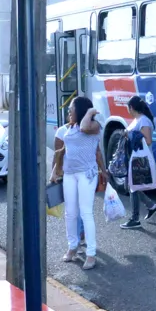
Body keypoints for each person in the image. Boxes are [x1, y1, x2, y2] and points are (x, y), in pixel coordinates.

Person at [59, 96, 106, 270]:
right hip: (70, 174)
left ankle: (91, 253)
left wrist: (91, 112)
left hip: (86, 173)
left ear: (81, 111)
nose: (69, 112)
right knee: (70, 213)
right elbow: (64, 149)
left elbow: (86, 129)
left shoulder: (94, 126)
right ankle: (72, 246)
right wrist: (57, 170)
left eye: (71, 109)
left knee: (86, 212)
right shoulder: (71, 127)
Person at [121, 95, 156, 230]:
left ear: (131, 108)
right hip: (133, 156)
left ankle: (135, 218)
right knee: (131, 186)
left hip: (140, 158)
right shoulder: (137, 119)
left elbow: (148, 140)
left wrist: (130, 135)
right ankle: (151, 206)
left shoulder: (143, 120)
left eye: (128, 108)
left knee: (133, 187)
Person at [52, 112, 86, 251]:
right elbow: (58, 154)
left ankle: (80, 235)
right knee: (73, 209)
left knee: (81, 208)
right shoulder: (62, 131)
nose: (71, 116)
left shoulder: (85, 130)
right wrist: (54, 173)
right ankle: (77, 238)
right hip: (68, 174)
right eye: (70, 113)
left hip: (83, 174)